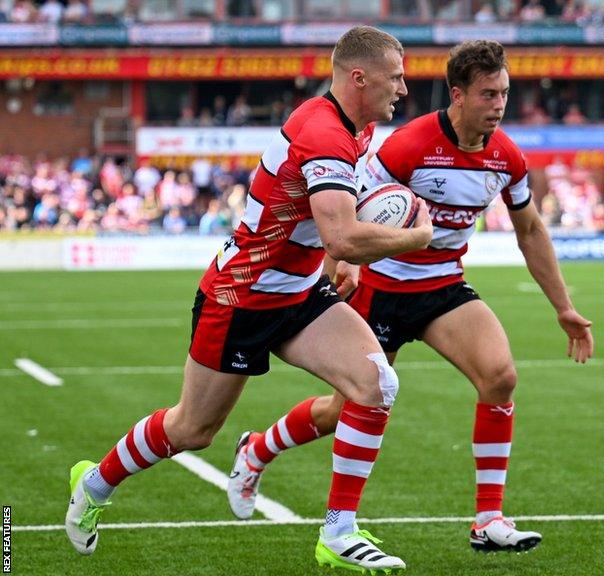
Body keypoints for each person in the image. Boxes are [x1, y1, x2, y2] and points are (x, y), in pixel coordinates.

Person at [64, 26, 433, 573]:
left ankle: (339, 531)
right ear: (359, 77)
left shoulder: (358, 129)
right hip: (241, 295)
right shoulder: (326, 135)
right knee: (192, 429)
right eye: (396, 76)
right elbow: (340, 233)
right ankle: (93, 484)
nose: (403, 88)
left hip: (300, 291)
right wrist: (410, 239)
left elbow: (325, 233)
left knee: (376, 382)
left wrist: (339, 263)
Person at [225, 40, 594, 553]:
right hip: (381, 287)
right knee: (344, 408)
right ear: (457, 95)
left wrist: (564, 307)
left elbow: (529, 230)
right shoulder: (409, 144)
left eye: (505, 93)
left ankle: (488, 519)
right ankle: (259, 449)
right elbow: (354, 213)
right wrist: (343, 266)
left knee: (500, 376)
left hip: (442, 285)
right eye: (488, 94)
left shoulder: (507, 158)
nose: (499, 104)